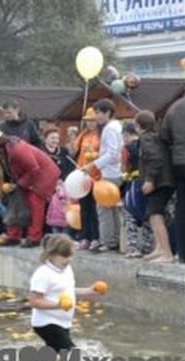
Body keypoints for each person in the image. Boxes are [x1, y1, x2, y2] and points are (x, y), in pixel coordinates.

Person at [0, 122, 60, 247]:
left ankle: (34, 238)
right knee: (14, 202)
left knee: (35, 202)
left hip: (44, 174)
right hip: (24, 176)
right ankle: (14, 236)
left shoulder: (17, 149)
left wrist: (19, 184)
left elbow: (34, 169)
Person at [28, 234, 101, 352]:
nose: (68, 259)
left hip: (64, 322)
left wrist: (89, 290)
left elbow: (69, 291)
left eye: (70, 255)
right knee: (71, 354)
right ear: (51, 254)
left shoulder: (67, 269)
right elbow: (34, 301)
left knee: (58, 355)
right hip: (46, 323)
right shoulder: (43, 274)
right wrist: (57, 305)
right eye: (64, 256)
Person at [83, 99, 124, 253]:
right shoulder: (115, 127)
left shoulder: (110, 129)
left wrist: (93, 164)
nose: (97, 117)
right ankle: (115, 239)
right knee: (112, 208)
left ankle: (107, 241)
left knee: (103, 208)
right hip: (112, 172)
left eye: (99, 113)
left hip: (110, 174)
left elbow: (113, 154)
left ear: (108, 113)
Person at [161, 73, 185, 264]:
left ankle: (183, 253)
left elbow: (164, 136)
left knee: (183, 206)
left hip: (178, 163)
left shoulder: (173, 108)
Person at [138, 110, 175, 263]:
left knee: (156, 214)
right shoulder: (156, 136)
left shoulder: (146, 139)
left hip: (160, 182)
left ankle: (166, 253)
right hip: (165, 181)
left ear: (138, 126)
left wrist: (150, 180)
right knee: (153, 214)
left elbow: (155, 159)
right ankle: (159, 247)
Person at [121, 123, 153, 258]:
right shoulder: (146, 145)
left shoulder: (127, 148)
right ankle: (147, 247)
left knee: (129, 215)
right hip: (146, 182)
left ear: (126, 135)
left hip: (132, 184)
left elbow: (123, 167)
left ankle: (133, 247)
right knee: (147, 215)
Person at [72, 108, 101, 251]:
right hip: (82, 175)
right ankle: (84, 237)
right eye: (88, 121)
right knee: (84, 208)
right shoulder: (83, 135)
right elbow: (74, 150)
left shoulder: (101, 135)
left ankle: (96, 237)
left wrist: (94, 155)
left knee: (94, 208)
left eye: (92, 120)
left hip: (96, 176)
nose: (90, 123)